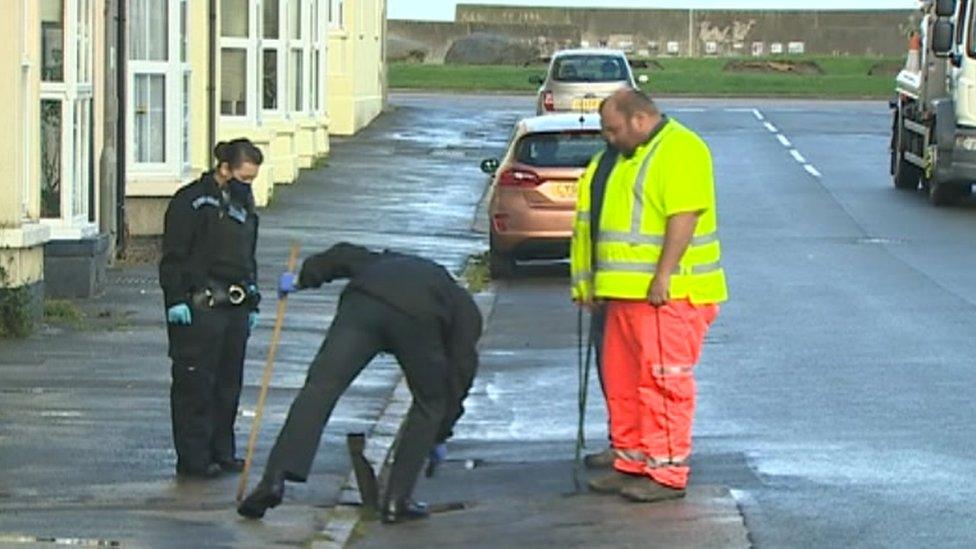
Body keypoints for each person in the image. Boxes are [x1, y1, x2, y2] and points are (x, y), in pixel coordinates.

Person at [237, 243, 482, 523]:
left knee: (320, 388)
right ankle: (396, 501)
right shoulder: (464, 308)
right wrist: (439, 433)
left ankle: (274, 479)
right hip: (417, 317)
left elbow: (341, 256)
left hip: (364, 302)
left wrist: (304, 279)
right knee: (431, 403)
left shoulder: (386, 261)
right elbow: (461, 372)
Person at [569, 88, 727, 502]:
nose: (609, 137)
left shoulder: (680, 150)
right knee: (626, 383)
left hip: (667, 297)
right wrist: (590, 284)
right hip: (624, 295)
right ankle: (633, 461)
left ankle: (667, 471)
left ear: (640, 120)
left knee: (663, 384)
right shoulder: (624, 156)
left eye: (614, 129)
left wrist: (663, 276)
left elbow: (683, 216)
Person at [159, 138, 264, 479]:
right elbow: (173, 256)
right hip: (199, 306)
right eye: (244, 178)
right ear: (224, 169)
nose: (248, 186)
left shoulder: (243, 205)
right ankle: (194, 458)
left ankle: (222, 452)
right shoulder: (191, 202)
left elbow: (248, 256)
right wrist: (175, 299)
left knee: (227, 385)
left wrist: (253, 298)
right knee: (196, 386)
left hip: (234, 307)